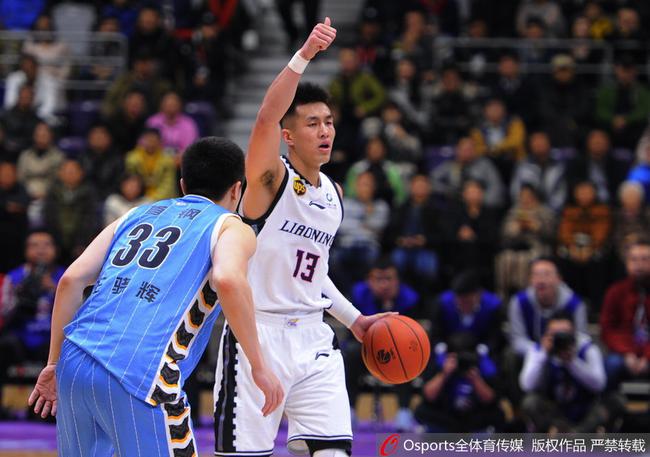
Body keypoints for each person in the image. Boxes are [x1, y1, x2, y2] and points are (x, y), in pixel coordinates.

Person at [28, 137, 284, 455]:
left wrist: (53, 362)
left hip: (75, 359)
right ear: (236, 189)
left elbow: (70, 280)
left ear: (182, 184)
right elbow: (228, 279)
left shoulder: (135, 214)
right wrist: (258, 365)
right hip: (140, 371)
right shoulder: (230, 225)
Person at [215, 18, 389, 457]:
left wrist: (356, 321)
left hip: (314, 341)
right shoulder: (270, 179)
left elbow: (315, 275)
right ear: (289, 137)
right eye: (312, 123)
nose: (325, 131)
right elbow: (264, 118)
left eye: (328, 122)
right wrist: (305, 55)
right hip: (259, 336)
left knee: (333, 452)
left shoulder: (334, 193)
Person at [520, 312, 624, 433]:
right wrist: (543, 355)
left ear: (574, 334)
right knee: (530, 402)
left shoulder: (587, 349)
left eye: (565, 334)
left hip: (585, 410)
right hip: (555, 412)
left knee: (616, 401)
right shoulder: (538, 350)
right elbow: (526, 385)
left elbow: (599, 385)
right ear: (547, 334)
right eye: (555, 335)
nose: (560, 339)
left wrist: (572, 362)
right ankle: (570, 434)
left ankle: (575, 435)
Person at [600, 240, 650, 390]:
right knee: (610, 364)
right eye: (634, 259)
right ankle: (609, 407)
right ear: (626, 263)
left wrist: (647, 356)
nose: (638, 265)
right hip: (624, 353)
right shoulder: (615, 292)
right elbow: (608, 329)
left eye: (645, 259)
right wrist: (627, 353)